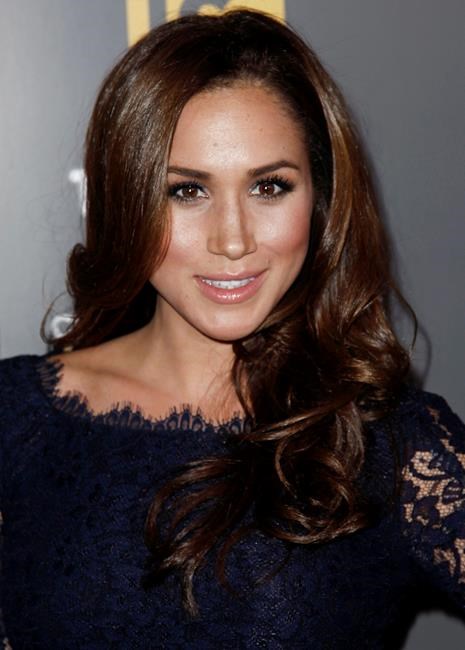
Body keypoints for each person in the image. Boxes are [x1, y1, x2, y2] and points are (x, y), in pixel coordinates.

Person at [1, 8, 464, 649]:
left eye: (269, 187)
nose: (233, 239)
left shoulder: (392, 444)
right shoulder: (17, 418)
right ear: (127, 201)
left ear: (321, 198)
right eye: (186, 191)